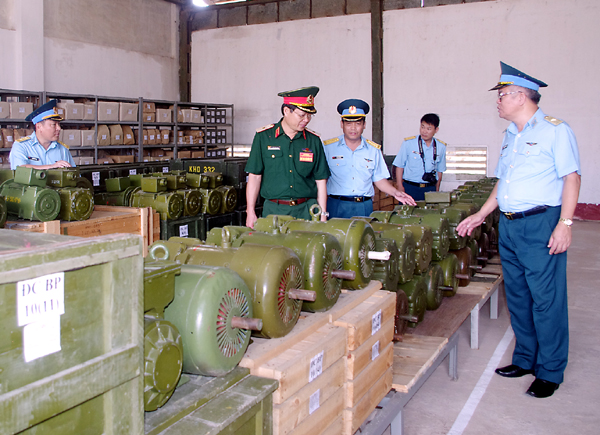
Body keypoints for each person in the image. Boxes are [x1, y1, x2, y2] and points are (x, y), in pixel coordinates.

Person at [456, 62, 581, 398]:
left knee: (546, 300)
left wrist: (564, 225)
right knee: (519, 297)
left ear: (521, 96)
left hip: (541, 223)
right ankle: (526, 358)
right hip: (509, 226)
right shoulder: (511, 134)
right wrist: (482, 214)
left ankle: (550, 370)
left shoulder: (555, 131)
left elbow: (572, 177)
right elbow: (503, 182)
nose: (498, 101)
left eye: (502, 95)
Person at [245, 86, 329, 228]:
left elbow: (321, 181)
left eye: (309, 115)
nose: (306, 120)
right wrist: (250, 212)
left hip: (307, 211)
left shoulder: (313, 140)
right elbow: (254, 177)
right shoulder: (264, 137)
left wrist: (323, 214)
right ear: (286, 111)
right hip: (274, 211)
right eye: (302, 115)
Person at [323, 98, 416, 219]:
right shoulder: (328, 148)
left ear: (364, 125)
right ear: (342, 124)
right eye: (349, 123)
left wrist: (395, 192)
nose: (353, 128)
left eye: (358, 124)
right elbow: (322, 179)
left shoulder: (373, 150)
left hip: (363, 206)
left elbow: (379, 179)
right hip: (336, 205)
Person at [392, 113, 447, 201]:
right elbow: (399, 165)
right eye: (422, 127)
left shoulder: (441, 147)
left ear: (436, 130)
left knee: (430, 214)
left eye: (429, 129)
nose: (424, 131)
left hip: (430, 188)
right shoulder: (408, 143)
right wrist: (400, 186)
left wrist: (437, 190)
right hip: (410, 188)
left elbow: (440, 171)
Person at [9, 99, 75, 170]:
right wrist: (51, 166)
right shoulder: (22, 146)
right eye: (53, 124)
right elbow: (19, 169)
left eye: (59, 124)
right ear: (39, 126)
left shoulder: (63, 150)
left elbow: (74, 175)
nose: (58, 128)